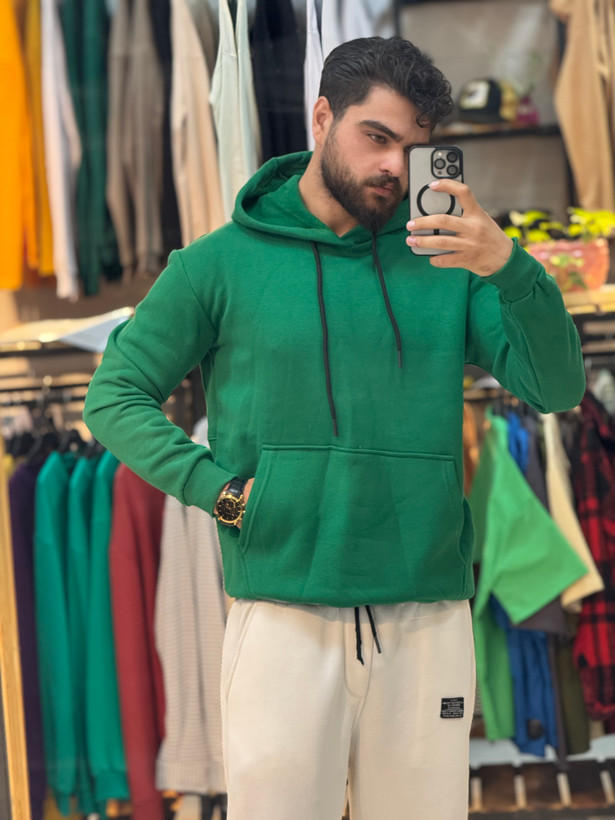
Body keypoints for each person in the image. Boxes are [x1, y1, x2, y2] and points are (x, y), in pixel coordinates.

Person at [84, 36, 585, 820]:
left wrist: (510, 267)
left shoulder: (448, 263)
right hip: (282, 610)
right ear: (321, 118)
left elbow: (554, 388)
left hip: (426, 613)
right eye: (375, 136)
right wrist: (220, 493)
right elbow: (114, 396)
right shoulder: (217, 264)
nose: (392, 166)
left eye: (412, 149)